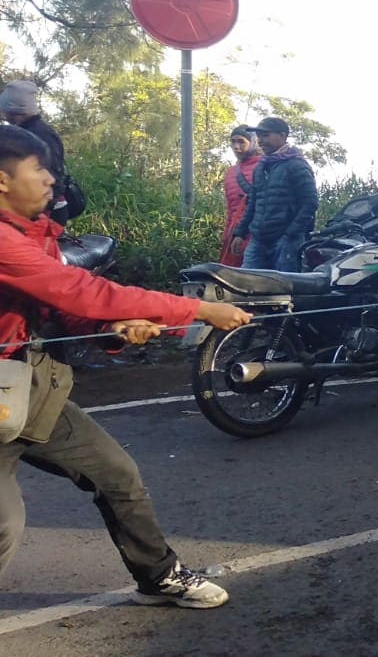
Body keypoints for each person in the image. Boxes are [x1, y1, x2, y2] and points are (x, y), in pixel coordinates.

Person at [0, 125, 253, 606]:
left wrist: (115, 330)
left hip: (31, 392)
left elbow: (68, 308)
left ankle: (158, 577)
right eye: (40, 169)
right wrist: (200, 309)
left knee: (117, 474)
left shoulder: (36, 237)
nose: (52, 179)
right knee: (3, 525)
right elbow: (87, 292)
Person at [231, 117, 318, 272]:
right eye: (258, 136)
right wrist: (240, 233)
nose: (260, 140)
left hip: (286, 241)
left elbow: (310, 202)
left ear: (282, 136)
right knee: (247, 285)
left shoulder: (296, 165)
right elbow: (253, 203)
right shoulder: (262, 167)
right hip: (258, 240)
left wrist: (290, 234)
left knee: (283, 290)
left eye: (265, 135)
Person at [0, 80, 74, 225]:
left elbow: (53, 176)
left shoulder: (34, 136)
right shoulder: (35, 131)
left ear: (13, 111)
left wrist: (41, 207)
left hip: (47, 211)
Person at [220, 126, 264, 268]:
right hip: (234, 234)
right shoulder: (231, 173)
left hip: (258, 234)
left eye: (241, 142)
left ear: (253, 142)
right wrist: (227, 235)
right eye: (233, 142)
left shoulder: (265, 166)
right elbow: (231, 208)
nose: (236, 147)